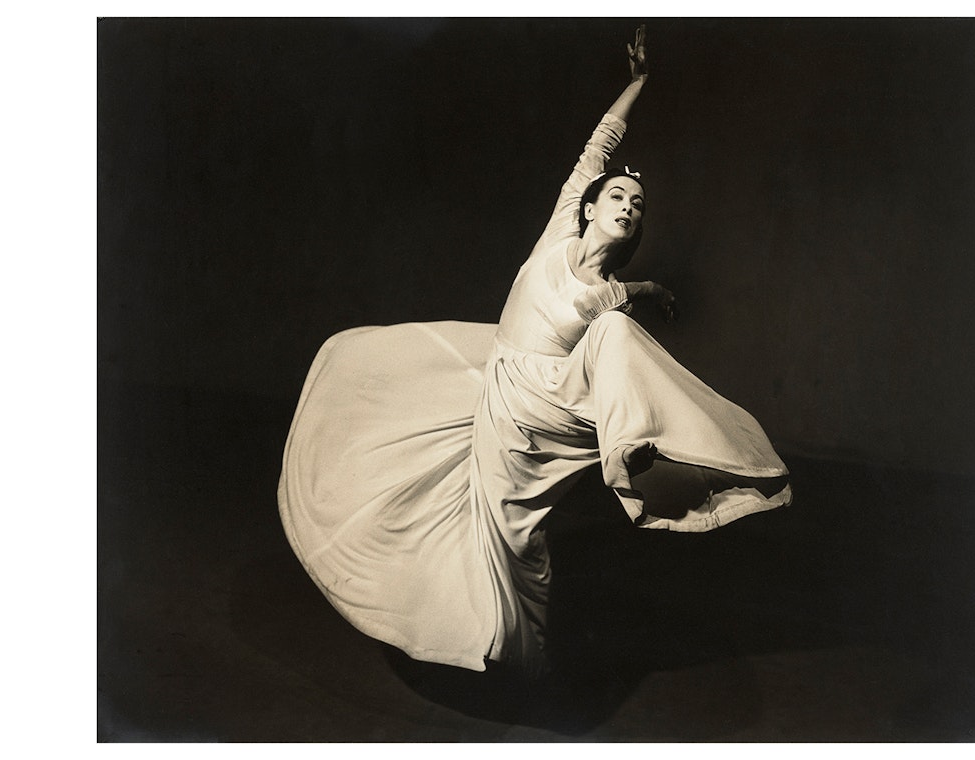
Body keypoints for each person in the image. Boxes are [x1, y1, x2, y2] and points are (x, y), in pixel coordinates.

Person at [277, 25, 791, 680]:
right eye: (617, 196)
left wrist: (644, 291)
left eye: (637, 204)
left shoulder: (609, 297)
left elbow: (617, 301)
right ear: (588, 208)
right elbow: (599, 145)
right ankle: (510, 656)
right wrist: (639, 83)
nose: (628, 206)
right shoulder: (559, 235)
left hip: (547, 403)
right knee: (512, 543)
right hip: (502, 402)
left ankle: (664, 451)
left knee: (612, 336)